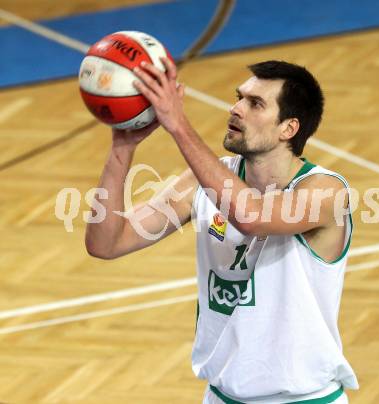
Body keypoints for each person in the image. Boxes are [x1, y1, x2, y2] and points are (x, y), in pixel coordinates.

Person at [85, 59, 358, 403]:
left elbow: (251, 216)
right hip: (221, 396)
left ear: (288, 129)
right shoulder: (202, 182)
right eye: (239, 97)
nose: (236, 109)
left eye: (255, 104)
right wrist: (122, 149)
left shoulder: (325, 191)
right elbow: (106, 243)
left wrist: (178, 124)